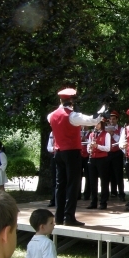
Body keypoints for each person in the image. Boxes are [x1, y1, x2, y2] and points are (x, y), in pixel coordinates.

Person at [47, 88, 100, 226]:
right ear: (71, 100)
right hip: (71, 152)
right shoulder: (72, 116)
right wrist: (101, 114)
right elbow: (91, 120)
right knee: (73, 184)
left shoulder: (51, 115)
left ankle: (59, 217)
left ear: (60, 100)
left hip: (58, 152)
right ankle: (69, 217)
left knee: (60, 185)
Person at [87, 114, 112, 210]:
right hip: (93, 158)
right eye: (95, 123)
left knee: (104, 181)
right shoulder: (91, 134)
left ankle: (103, 202)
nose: (96, 125)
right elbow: (89, 147)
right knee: (93, 182)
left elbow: (108, 148)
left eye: (98, 123)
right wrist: (90, 148)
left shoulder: (106, 134)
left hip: (102, 159)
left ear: (102, 124)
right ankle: (93, 202)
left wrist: (97, 146)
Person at [107, 111, 126, 202]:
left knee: (118, 174)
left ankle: (121, 193)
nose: (111, 121)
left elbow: (120, 140)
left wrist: (113, 134)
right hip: (108, 153)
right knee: (108, 174)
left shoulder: (121, 129)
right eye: (110, 119)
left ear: (117, 120)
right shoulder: (105, 128)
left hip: (117, 153)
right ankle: (112, 192)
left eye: (113, 119)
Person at [47, 132, 56, 206]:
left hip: (63, 156)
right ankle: (53, 199)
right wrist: (53, 148)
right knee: (54, 180)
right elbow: (48, 147)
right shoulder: (52, 133)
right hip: (54, 157)